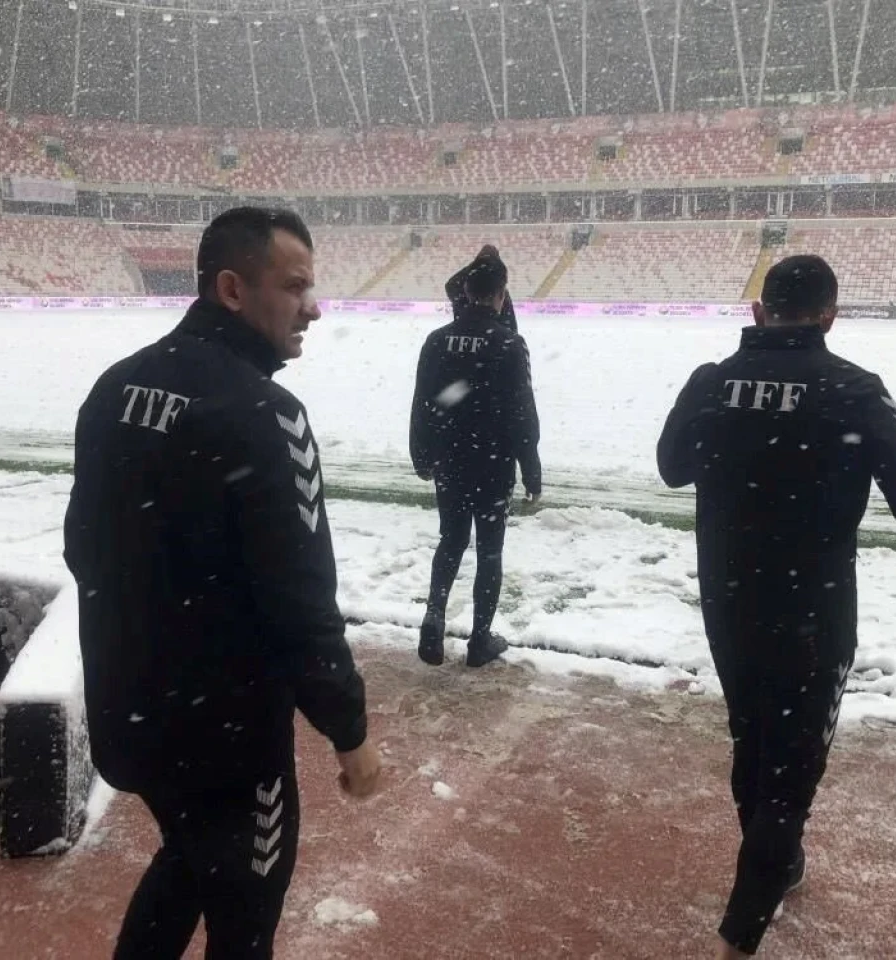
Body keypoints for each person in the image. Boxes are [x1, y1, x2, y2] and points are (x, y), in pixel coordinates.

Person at [63, 206, 382, 960]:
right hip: (229, 745)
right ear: (233, 290)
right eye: (296, 285)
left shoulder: (116, 387)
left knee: (186, 858)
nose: (315, 305)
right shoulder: (268, 416)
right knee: (244, 920)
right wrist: (350, 732)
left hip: (132, 720)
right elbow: (302, 602)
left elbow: (85, 547)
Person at [656, 255, 896, 958]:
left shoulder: (712, 382)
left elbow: (671, 467)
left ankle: (776, 864)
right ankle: (743, 927)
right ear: (829, 314)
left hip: (727, 596)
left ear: (760, 312)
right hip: (812, 605)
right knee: (793, 764)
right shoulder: (852, 389)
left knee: (754, 737)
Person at [409, 247, 542, 667]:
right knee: (489, 551)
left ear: (465, 292)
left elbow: (424, 403)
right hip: (492, 461)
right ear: (503, 296)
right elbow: (522, 413)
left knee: (450, 540)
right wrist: (531, 469)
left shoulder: (436, 340)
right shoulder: (508, 342)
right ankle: (479, 640)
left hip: (449, 458)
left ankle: (433, 620)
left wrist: (422, 452)